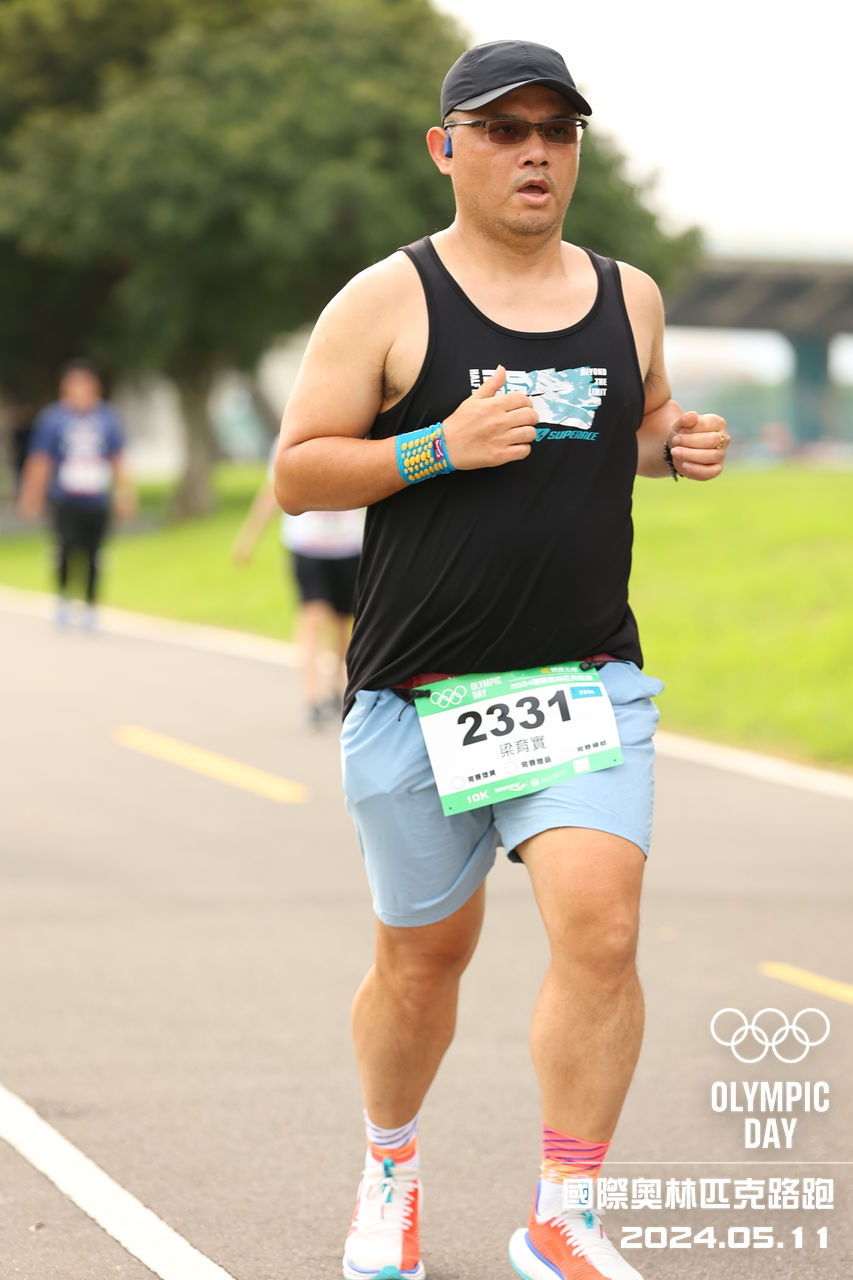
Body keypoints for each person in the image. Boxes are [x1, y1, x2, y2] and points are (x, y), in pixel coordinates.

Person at [275, 39, 730, 1280]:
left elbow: (636, 422)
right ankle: (389, 1164)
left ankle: (562, 1211)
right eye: (503, 129)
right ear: (447, 148)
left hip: (580, 683)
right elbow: (298, 471)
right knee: (421, 962)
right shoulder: (388, 300)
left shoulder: (628, 295)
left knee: (601, 927)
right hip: (418, 697)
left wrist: (676, 443)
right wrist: (437, 445)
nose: (535, 152)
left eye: (555, 131)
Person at [232, 446, 363, 726]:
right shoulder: (291, 436)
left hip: (346, 546)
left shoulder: (356, 429)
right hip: (307, 546)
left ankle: (337, 689)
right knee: (312, 619)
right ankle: (312, 698)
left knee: (342, 624)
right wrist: (248, 538)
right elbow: (273, 491)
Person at [18, 359, 136, 627]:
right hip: (65, 499)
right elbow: (40, 460)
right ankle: (63, 598)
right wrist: (32, 495)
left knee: (95, 554)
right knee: (65, 549)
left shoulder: (107, 418)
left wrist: (125, 494)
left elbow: (118, 459)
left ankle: (91, 605)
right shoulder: (53, 419)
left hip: (96, 499)